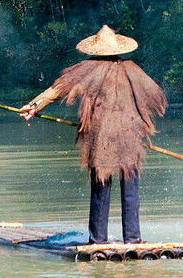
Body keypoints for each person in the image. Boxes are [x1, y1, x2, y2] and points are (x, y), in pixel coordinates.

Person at [19, 26, 167, 244]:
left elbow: (56, 90)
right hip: (130, 133)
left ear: (96, 50)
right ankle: (133, 239)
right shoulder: (133, 69)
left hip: (102, 135)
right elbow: (155, 94)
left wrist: (33, 106)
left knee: (101, 183)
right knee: (130, 185)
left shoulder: (86, 69)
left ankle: (98, 240)